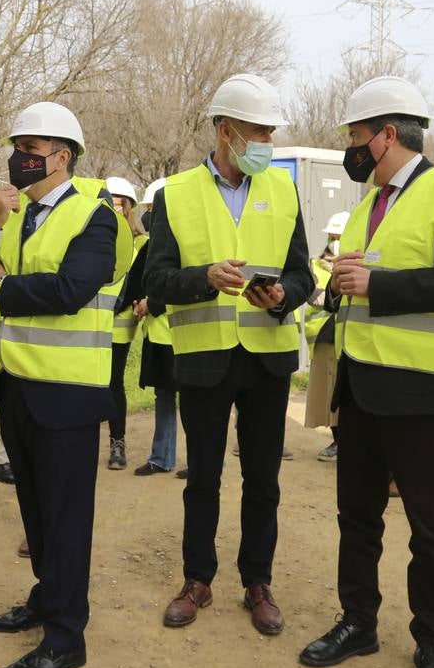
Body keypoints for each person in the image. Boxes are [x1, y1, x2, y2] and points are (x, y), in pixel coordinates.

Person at [298, 76, 434, 668]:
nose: (352, 148)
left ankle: (431, 640)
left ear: (386, 134)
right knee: (357, 517)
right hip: (359, 389)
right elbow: (351, 283)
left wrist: (374, 287)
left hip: (421, 393)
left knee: (428, 525)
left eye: (356, 136)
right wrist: (335, 286)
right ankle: (358, 622)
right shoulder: (365, 205)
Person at [0, 101, 128, 668]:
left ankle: (65, 635)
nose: (20, 159)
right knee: (34, 511)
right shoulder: (13, 216)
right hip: (18, 388)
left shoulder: (94, 216)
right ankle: (46, 595)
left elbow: (72, 289)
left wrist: (6, 286)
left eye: (33, 150)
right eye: (18, 149)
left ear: (64, 157)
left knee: (65, 518)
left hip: (68, 394)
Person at [146, 73, 314, 637]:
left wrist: (283, 295)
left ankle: (257, 582)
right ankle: (198, 580)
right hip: (205, 358)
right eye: (257, 130)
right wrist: (204, 277)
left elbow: (302, 276)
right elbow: (157, 279)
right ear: (225, 130)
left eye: (270, 130)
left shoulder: (285, 191)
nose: (266, 140)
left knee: (263, 479)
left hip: (266, 357)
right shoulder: (174, 193)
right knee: (204, 479)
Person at [131, 178, 182, 478]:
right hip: (157, 334)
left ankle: (200, 460)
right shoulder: (150, 246)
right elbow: (141, 280)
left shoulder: (184, 242)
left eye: (155, 208)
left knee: (190, 401)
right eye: (149, 208)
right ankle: (162, 457)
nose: (151, 213)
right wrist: (141, 301)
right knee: (163, 397)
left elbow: (182, 287)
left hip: (181, 334)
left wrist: (153, 304)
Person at [105, 176, 147, 470]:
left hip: (120, 324)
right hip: (90, 322)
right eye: (111, 204)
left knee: (113, 382)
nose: (116, 209)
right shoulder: (94, 233)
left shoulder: (142, 243)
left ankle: (117, 442)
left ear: (130, 207)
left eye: (121, 205)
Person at [305, 211, 347, 463]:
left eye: (339, 236)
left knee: (343, 395)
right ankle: (336, 439)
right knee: (327, 395)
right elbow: (312, 296)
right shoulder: (315, 266)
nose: (335, 240)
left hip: (346, 338)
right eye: (333, 236)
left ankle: (346, 442)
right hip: (322, 337)